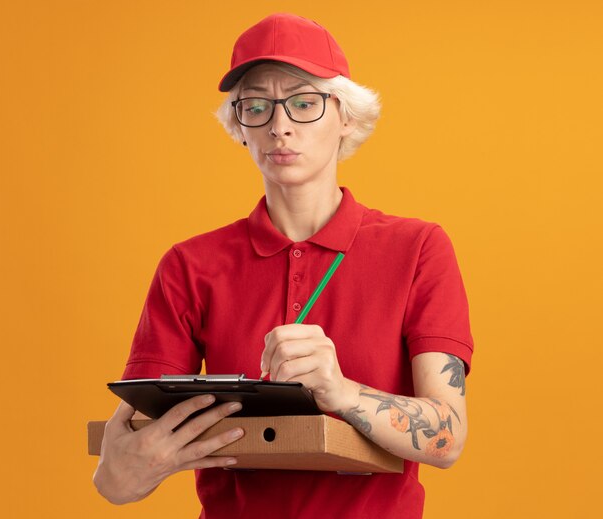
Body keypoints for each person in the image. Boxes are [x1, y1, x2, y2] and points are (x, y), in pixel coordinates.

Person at [93, 12, 474, 518]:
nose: (280, 125)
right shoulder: (189, 265)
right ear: (239, 127)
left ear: (346, 116)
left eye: (303, 102)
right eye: (256, 105)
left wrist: (339, 391)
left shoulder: (419, 248)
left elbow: (447, 436)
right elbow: (119, 477)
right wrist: (122, 474)